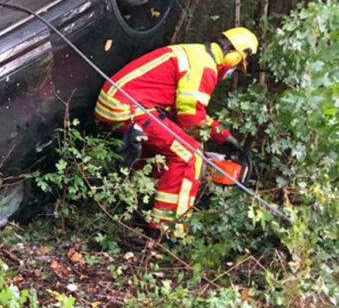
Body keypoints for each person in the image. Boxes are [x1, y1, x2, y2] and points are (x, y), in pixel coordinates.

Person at [94, 27, 259, 238]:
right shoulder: (205, 67)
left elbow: (187, 113)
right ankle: (168, 231)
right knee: (191, 156)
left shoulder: (198, 54)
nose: (233, 70)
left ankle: (138, 210)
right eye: (237, 65)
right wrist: (224, 138)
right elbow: (191, 118)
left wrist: (222, 136)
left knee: (167, 154)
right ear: (234, 56)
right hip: (128, 107)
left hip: (118, 103)